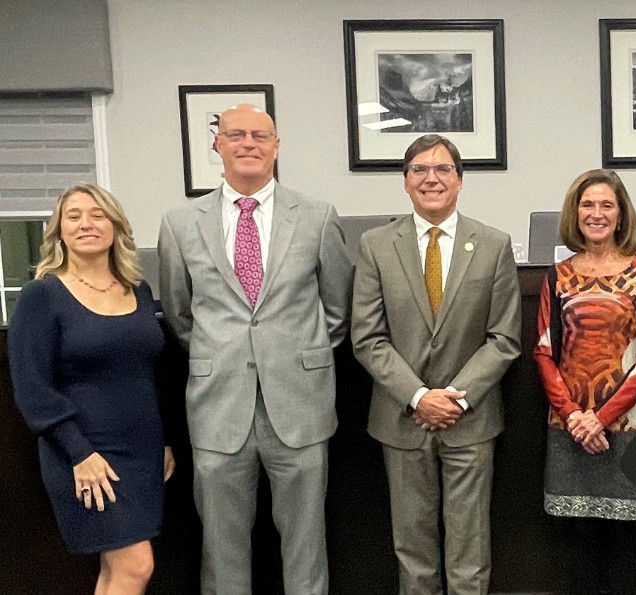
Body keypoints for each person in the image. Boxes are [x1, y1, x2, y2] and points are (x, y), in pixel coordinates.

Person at [157, 104, 353, 594]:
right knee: (222, 552)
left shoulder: (316, 217)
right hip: (218, 406)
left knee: (306, 547)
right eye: (236, 134)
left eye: (260, 135)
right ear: (217, 144)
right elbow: (181, 315)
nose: (249, 143)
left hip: (299, 405)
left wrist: (294, 353)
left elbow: (337, 308)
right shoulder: (181, 224)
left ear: (276, 146)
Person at [350, 133, 521, 595]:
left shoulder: (493, 244)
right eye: (419, 170)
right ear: (405, 183)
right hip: (401, 420)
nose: (432, 178)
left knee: (470, 553)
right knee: (414, 553)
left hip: (471, 420)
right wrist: (420, 397)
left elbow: (503, 338)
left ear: (460, 181)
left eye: (443, 169)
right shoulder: (375, 245)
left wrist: (454, 400)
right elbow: (367, 337)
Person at [9, 184, 175, 594]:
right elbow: (31, 388)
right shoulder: (42, 295)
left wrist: (165, 441)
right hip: (85, 453)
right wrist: (79, 453)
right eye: (74, 216)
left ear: (116, 227)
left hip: (143, 451)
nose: (86, 224)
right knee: (136, 565)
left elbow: (147, 374)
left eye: (98, 215)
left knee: (116, 570)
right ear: (59, 231)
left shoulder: (138, 291)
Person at [533, 169, 636, 595]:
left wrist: (602, 417)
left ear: (621, 214)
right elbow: (544, 352)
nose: (596, 213)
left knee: (628, 553)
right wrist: (575, 418)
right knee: (575, 552)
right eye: (587, 204)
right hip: (568, 429)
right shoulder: (556, 276)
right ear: (575, 213)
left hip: (628, 429)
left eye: (606, 205)